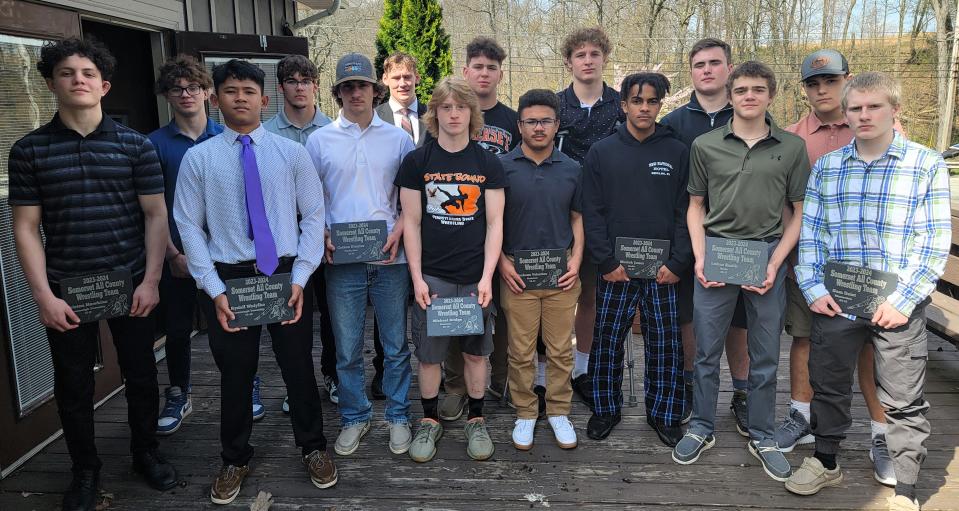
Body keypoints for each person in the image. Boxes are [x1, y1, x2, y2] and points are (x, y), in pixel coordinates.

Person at [9, 37, 177, 511]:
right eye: (66, 73)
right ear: (51, 83)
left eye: (86, 73)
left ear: (103, 85)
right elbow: (25, 227)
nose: (77, 80)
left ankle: (146, 452)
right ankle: (85, 470)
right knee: (74, 384)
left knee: (142, 374)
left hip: (130, 283)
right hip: (67, 289)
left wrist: (150, 281)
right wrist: (43, 295)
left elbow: (155, 216)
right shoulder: (29, 151)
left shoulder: (135, 146)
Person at [173, 59, 336, 504]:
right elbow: (190, 227)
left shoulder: (292, 154)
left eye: (248, 90)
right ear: (215, 98)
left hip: (285, 274)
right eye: (230, 90)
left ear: (265, 100)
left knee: (299, 366)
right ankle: (235, 457)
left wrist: (301, 276)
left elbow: (313, 217)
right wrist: (214, 290)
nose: (240, 97)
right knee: (235, 373)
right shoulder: (198, 159)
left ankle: (314, 447)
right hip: (229, 278)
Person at [787, 72, 951, 511]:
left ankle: (906, 486)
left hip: (898, 303)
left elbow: (932, 241)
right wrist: (814, 287)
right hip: (837, 300)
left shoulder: (924, 165)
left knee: (902, 397)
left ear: (894, 110)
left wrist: (903, 300)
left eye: (872, 106)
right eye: (855, 108)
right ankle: (825, 460)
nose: (862, 115)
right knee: (829, 383)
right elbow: (813, 236)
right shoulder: (828, 166)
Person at [671, 61, 809, 484]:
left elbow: (799, 213)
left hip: (765, 254)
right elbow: (695, 207)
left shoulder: (791, 146)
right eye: (742, 89)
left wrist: (776, 262)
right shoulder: (707, 145)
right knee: (707, 352)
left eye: (758, 89)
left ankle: (764, 435)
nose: (749, 96)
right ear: (730, 95)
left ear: (771, 95)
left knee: (765, 355)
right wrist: (699, 257)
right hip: (715, 253)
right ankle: (702, 427)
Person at [776, 49, 898, 487]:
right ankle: (800, 416)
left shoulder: (876, 124)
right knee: (804, 338)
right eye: (812, 83)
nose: (821, 89)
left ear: (846, 80)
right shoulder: (791, 137)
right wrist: (797, 265)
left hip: (873, 272)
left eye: (829, 80)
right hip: (811, 266)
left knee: (870, 353)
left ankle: (882, 432)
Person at [306, 52, 416, 457]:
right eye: (348, 87)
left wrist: (402, 226)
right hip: (342, 263)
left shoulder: (399, 139)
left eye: (363, 86)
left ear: (376, 90)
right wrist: (319, 232)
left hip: (390, 259)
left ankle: (399, 415)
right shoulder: (319, 141)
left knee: (395, 345)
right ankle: (355, 416)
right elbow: (310, 199)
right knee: (347, 347)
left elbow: (410, 199)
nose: (356, 93)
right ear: (337, 93)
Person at [396, 77, 506, 463]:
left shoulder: (487, 162)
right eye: (446, 107)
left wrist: (487, 276)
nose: (454, 114)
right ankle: (429, 421)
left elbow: (494, 223)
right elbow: (410, 222)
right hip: (434, 277)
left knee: (476, 355)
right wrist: (417, 278)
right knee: (429, 356)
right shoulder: (417, 162)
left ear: (472, 113)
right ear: (435, 114)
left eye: (461, 107)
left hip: (475, 276)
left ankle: (476, 419)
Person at [582, 73, 690, 445]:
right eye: (637, 101)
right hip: (616, 269)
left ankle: (663, 413)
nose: (645, 108)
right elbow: (591, 212)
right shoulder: (602, 152)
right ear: (624, 104)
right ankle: (605, 408)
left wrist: (678, 262)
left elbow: (685, 212)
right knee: (607, 339)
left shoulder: (677, 151)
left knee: (663, 342)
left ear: (661, 105)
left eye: (652, 101)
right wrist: (605, 260)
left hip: (664, 269)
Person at [660, 37, 751, 430]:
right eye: (699, 64)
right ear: (691, 72)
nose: (708, 70)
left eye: (715, 63)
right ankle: (688, 385)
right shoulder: (673, 124)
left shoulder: (750, 115)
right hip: (685, 235)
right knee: (688, 316)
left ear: (729, 69)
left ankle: (744, 393)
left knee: (739, 320)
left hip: (742, 237)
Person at [440, 36, 520, 420]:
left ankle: (499, 380)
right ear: (465, 70)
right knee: (456, 313)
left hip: (499, 233)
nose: (484, 73)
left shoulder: (511, 120)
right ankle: (455, 386)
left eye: (492, 66)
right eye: (478, 65)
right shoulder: (446, 114)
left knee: (501, 313)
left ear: (499, 74)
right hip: (454, 234)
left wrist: (504, 250)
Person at [498, 89, 582, 450]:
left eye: (545, 121)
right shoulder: (501, 167)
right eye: (531, 121)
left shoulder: (572, 168)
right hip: (517, 272)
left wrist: (577, 259)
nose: (538, 127)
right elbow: (492, 222)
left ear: (556, 125)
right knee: (519, 350)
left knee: (561, 348)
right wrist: (501, 263)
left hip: (561, 270)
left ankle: (559, 411)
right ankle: (526, 412)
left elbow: (578, 218)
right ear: (519, 125)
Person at [149, 55, 224, 435]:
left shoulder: (227, 139)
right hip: (176, 257)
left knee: (230, 325)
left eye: (194, 87)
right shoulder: (153, 145)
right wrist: (173, 255)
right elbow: (152, 209)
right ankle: (180, 392)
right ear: (167, 95)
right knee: (178, 330)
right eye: (177, 89)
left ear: (208, 93)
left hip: (224, 256)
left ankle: (245, 384)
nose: (186, 94)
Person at [263, 54, 341, 411]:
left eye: (306, 81)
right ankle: (298, 385)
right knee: (291, 319)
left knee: (331, 313)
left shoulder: (332, 131)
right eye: (292, 81)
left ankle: (332, 376)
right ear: (281, 88)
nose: (300, 87)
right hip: (283, 242)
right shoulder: (265, 134)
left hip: (326, 238)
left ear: (315, 86)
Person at [554, 26, 625, 410]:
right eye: (579, 55)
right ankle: (549, 371)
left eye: (594, 54)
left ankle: (583, 369)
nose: (587, 61)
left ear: (603, 59)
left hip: (605, 214)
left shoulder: (620, 105)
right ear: (569, 61)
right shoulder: (554, 105)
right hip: (557, 213)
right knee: (553, 291)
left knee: (592, 296)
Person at [377, 52, 428, 147]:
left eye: (407, 77)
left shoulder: (433, 116)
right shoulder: (375, 117)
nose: (402, 84)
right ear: (385, 79)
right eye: (396, 78)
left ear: (417, 78)